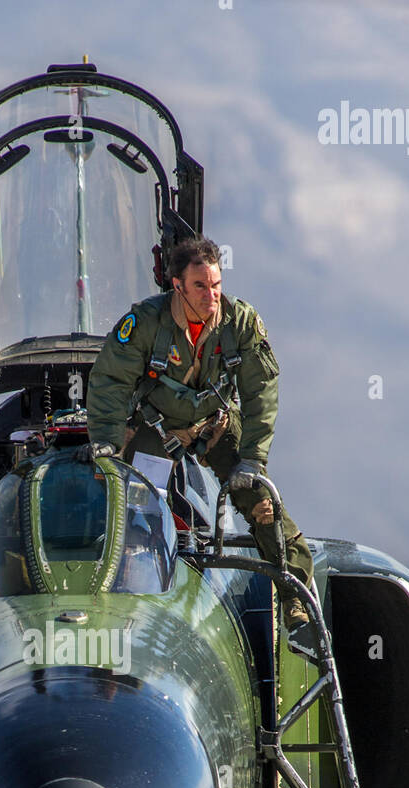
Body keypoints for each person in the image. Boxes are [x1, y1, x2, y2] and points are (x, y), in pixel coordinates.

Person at [86, 236, 317, 658]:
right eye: (199, 286)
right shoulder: (145, 324)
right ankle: (123, 611)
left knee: (262, 502)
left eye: (216, 284)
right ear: (177, 286)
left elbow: (261, 390)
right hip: (157, 428)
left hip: (216, 424)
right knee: (133, 508)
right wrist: (105, 440)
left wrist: (252, 458)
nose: (211, 295)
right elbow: (110, 380)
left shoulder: (239, 323)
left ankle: (295, 602)